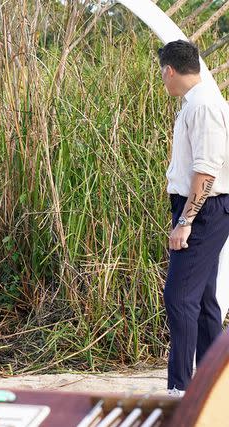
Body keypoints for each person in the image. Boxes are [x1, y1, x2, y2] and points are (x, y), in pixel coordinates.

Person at [158, 40, 229, 395]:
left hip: (202, 211)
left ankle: (181, 388)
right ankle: (213, 385)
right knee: (201, 300)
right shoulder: (198, 104)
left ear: (169, 70)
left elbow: (206, 169)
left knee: (179, 296)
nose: (163, 82)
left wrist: (185, 221)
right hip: (203, 208)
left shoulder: (202, 106)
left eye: (162, 75)